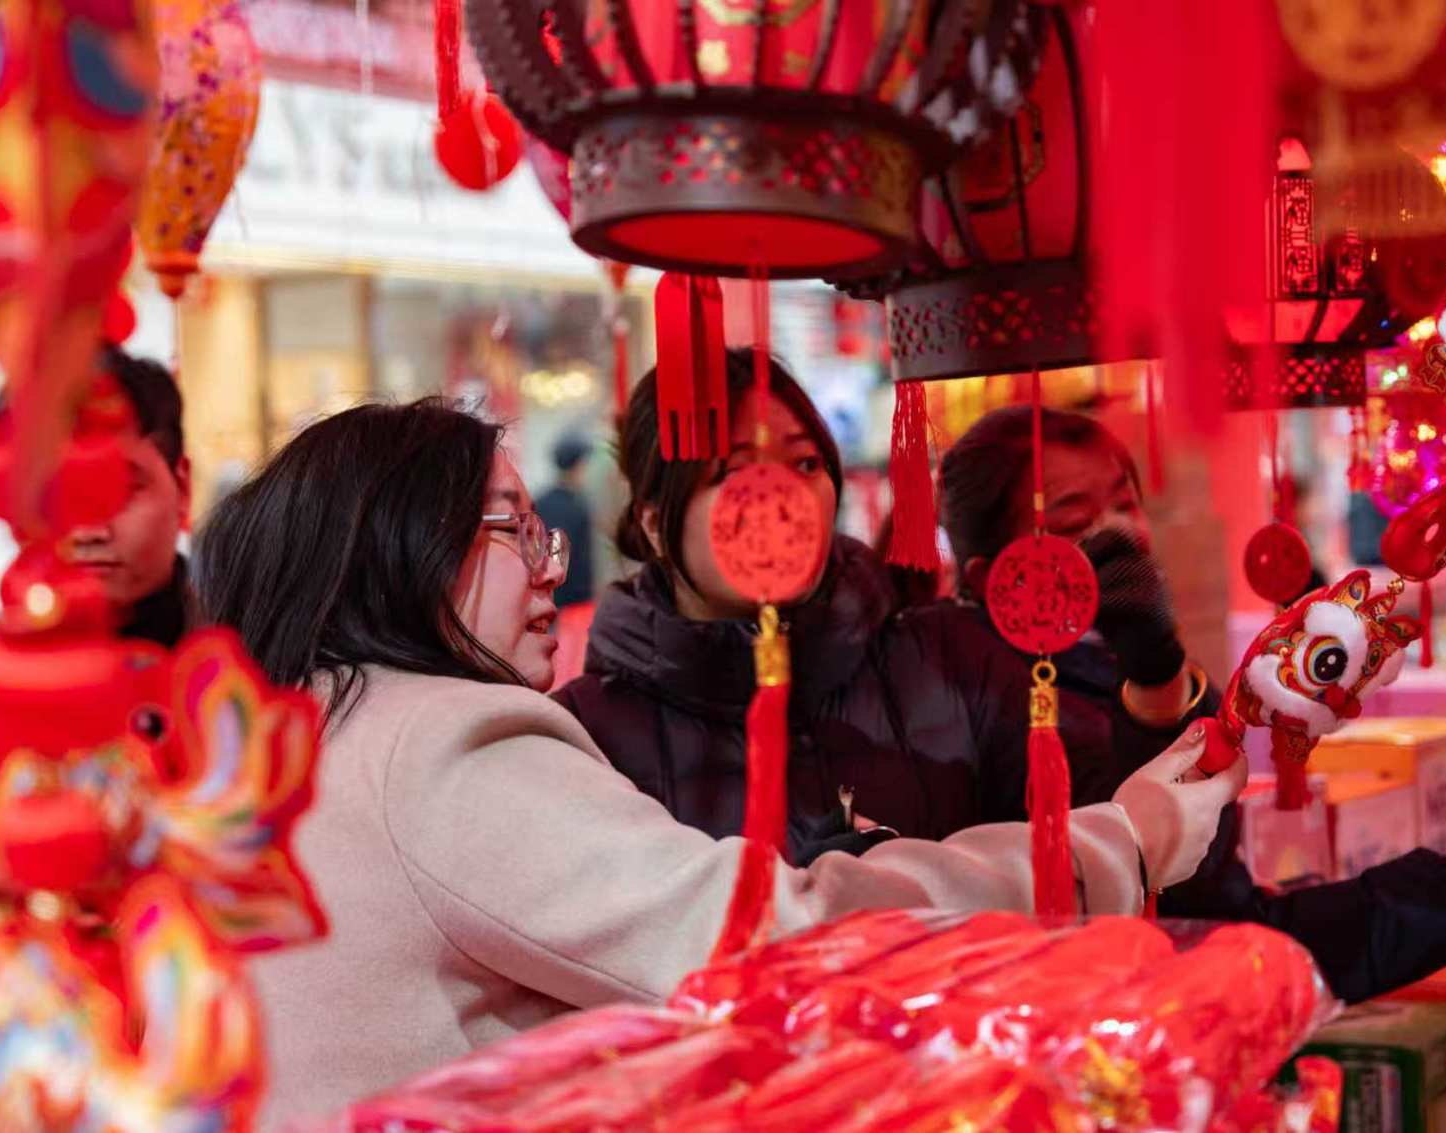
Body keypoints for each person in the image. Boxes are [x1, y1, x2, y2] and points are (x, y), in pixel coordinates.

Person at [193, 398, 1242, 1127]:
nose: (551, 568)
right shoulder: (441, 745)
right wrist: (1116, 840)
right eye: (513, 527)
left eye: (802, 464)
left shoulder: (288, 751)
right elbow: (775, 941)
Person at [936, 404, 1446, 1003]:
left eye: (1125, 505)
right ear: (988, 575)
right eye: (1075, 525)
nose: (1122, 540)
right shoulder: (1007, 715)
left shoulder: (1116, 674)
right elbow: (1211, 933)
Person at [555, 350, 1121, 864]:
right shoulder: (585, 738)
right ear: (656, 524)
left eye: (805, 464)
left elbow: (1109, 840)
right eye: (736, 473)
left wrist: (1152, 684)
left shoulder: (954, 659)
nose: (784, 501)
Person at [0, 345, 193, 672]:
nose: (88, 532)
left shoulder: (245, 669)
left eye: (119, 490)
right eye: (53, 496)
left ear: (183, 489)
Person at [535, 432, 595, 609]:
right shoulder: (577, 509)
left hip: (542, 598)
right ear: (578, 467)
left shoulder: (538, 503)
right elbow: (581, 567)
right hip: (572, 606)